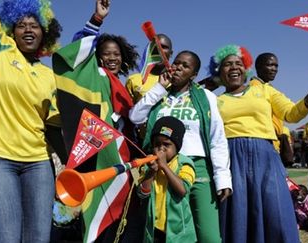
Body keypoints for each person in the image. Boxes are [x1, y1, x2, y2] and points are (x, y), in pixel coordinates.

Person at [208, 44, 308, 243]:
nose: (234, 67)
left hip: (266, 157)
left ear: (246, 69)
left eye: (239, 63)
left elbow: (293, 113)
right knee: (238, 214)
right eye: (227, 64)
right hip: (230, 158)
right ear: (219, 72)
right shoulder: (214, 100)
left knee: (276, 212)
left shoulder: (264, 91)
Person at [0, 0, 65, 242]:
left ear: (45, 32)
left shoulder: (49, 75)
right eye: (21, 25)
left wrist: (70, 163)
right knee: (6, 238)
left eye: (35, 25)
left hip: (38, 164)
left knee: (39, 239)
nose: (29, 30)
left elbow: (52, 126)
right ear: (12, 30)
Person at [52, 0, 139, 241]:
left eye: (116, 54)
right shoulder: (95, 76)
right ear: (97, 57)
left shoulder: (123, 84)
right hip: (97, 155)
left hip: (122, 157)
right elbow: (76, 55)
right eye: (106, 54)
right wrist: (96, 20)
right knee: (96, 215)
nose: (112, 58)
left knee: (119, 216)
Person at [129, 50, 232, 242]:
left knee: (209, 235)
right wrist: (159, 87)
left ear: (194, 75)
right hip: (163, 168)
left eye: (185, 66)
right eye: (176, 63)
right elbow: (135, 117)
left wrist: (223, 177)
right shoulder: (159, 94)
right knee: (169, 233)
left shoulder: (206, 97)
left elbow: (217, 138)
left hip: (198, 167)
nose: (178, 68)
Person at [138, 116, 196, 242]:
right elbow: (142, 194)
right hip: (154, 230)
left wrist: (164, 166)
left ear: (177, 146)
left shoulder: (184, 164)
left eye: (166, 145)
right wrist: (151, 172)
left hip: (178, 233)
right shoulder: (148, 166)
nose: (161, 149)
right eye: (157, 144)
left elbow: (182, 190)